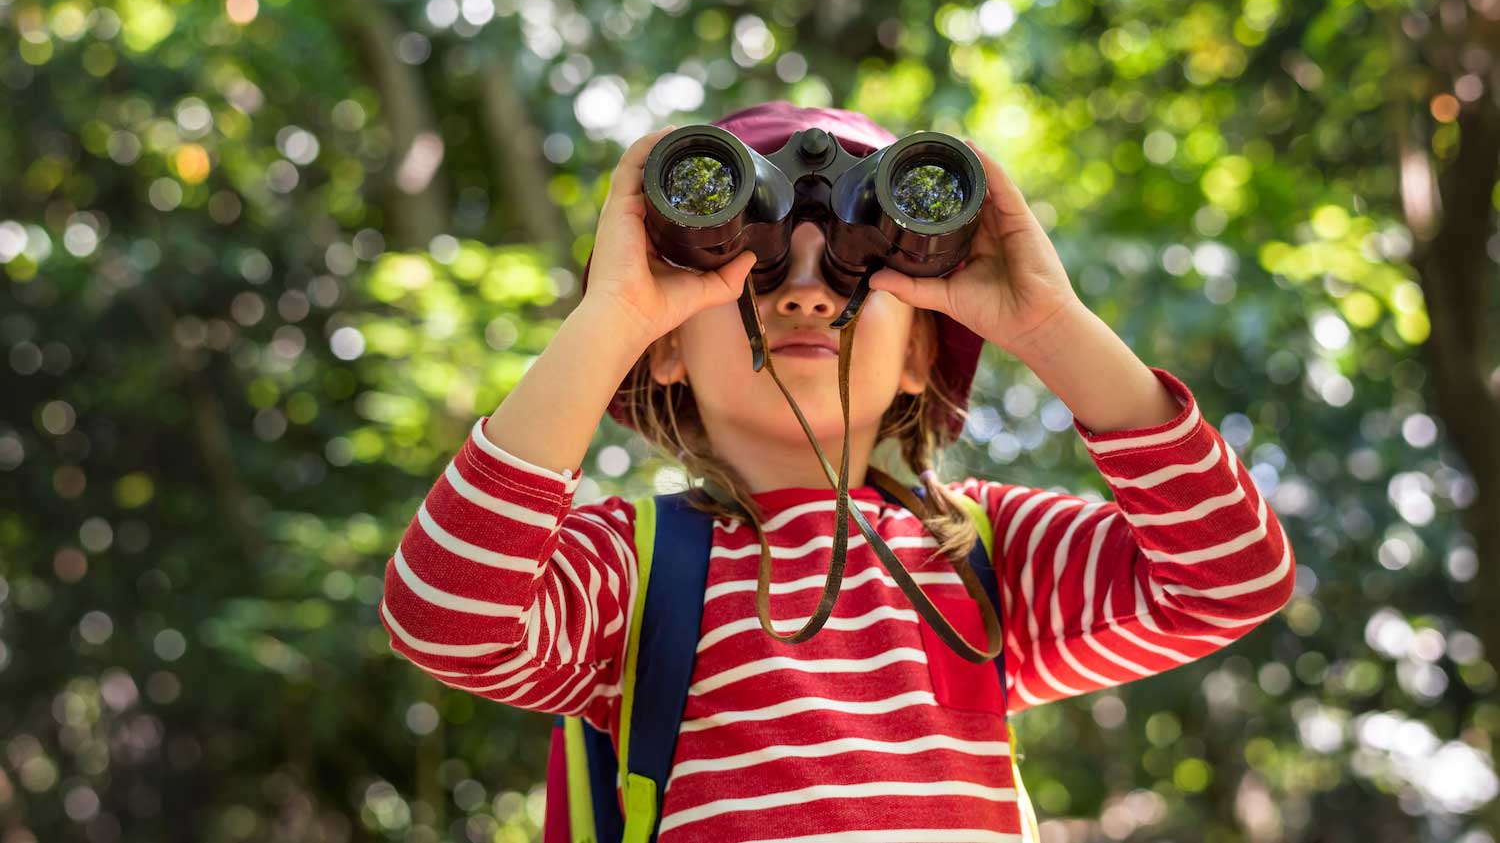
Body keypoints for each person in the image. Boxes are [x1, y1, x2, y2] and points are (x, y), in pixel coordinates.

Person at [379, 101, 1297, 841]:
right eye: (755, 267)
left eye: (854, 273)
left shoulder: (982, 555)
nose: (806, 291)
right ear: (663, 350)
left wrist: (1048, 323)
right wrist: (612, 312)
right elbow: (447, 619)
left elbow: (1230, 578)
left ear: (920, 355)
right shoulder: (636, 570)